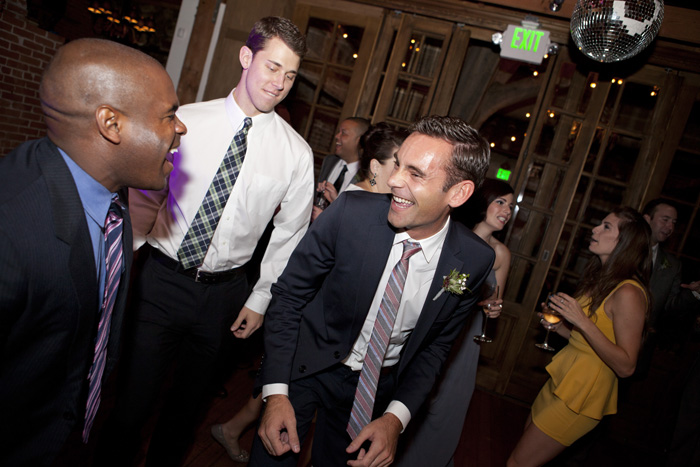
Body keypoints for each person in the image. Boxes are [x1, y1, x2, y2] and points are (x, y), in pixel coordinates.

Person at [96, 17, 314, 466]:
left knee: (185, 412)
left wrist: (259, 299)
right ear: (246, 57)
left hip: (225, 297)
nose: (280, 84)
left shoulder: (296, 155)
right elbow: (143, 200)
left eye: (290, 75)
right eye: (273, 68)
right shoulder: (187, 122)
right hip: (159, 281)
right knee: (131, 405)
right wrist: (119, 267)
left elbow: (290, 237)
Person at [251, 115, 496, 466]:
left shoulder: (474, 260)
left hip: (373, 390)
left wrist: (395, 419)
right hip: (305, 366)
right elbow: (289, 296)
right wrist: (275, 392)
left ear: (458, 193)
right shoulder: (350, 214)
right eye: (398, 165)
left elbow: (435, 349)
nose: (393, 181)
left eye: (415, 173)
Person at [0, 38, 186, 466]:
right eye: (169, 115)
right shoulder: (10, 228)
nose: (181, 128)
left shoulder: (112, 201)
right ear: (111, 124)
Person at [209, 122, 406, 463]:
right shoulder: (352, 204)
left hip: (337, 336)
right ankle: (236, 424)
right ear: (376, 167)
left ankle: (236, 423)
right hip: (311, 312)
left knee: (293, 404)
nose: (404, 177)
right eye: (398, 165)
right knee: (285, 395)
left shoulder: (392, 214)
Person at [507, 207, 652, 467]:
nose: (595, 229)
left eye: (607, 227)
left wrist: (581, 320)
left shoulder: (629, 292)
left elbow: (627, 365)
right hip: (564, 379)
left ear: (625, 241)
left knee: (518, 463)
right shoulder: (602, 279)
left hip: (584, 394)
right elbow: (586, 341)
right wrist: (560, 327)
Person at [395, 178, 514, 467]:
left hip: (467, 337)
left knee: (446, 408)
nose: (507, 210)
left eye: (511, 206)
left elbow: (493, 299)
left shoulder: (500, 253)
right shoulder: (452, 235)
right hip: (433, 327)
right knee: (409, 398)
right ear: (483, 202)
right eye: (500, 202)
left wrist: (492, 309)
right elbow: (439, 288)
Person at [642, 199, 700, 348]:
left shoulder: (673, 265)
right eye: (665, 220)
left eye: (674, 222)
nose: (670, 227)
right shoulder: (618, 249)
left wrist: (694, 294)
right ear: (647, 219)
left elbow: (670, 307)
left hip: (641, 344)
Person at [311, 117, 370, 220]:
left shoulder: (365, 177)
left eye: (344, 133)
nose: (336, 136)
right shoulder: (329, 161)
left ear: (359, 140)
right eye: (338, 132)